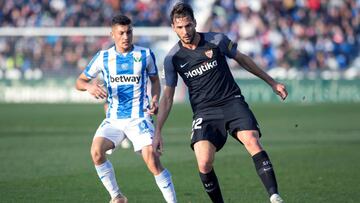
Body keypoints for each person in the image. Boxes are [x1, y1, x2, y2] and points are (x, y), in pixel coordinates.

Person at [153, 3, 287, 203]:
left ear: (195, 23)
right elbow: (168, 97)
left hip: (231, 101)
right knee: (204, 162)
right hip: (204, 112)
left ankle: (274, 196)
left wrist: (272, 82)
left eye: (188, 25)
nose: (185, 31)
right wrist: (158, 131)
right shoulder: (173, 58)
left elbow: (242, 59)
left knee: (251, 140)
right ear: (173, 27)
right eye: (180, 27)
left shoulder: (216, 40)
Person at [75, 14, 177, 203]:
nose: (126, 36)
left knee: (152, 160)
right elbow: (79, 81)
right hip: (114, 118)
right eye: (121, 33)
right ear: (112, 34)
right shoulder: (103, 57)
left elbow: (155, 80)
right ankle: (117, 197)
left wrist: (155, 98)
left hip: (139, 117)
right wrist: (89, 87)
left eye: (129, 32)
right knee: (96, 152)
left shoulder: (144, 54)